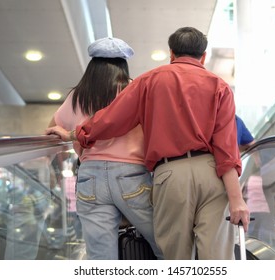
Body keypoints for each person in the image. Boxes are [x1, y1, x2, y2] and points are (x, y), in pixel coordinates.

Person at [60, 27, 250, 259]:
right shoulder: (220, 87)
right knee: (218, 258)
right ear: (203, 56)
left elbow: (110, 120)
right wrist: (236, 198)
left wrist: (74, 134)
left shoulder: (148, 81)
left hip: (170, 174)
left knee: (175, 257)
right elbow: (227, 147)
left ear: (171, 53)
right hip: (213, 175)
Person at [45, 37, 163, 260]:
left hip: (90, 178)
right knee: (166, 245)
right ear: (123, 65)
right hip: (132, 176)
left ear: (92, 65)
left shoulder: (77, 96)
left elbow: (52, 129)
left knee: (101, 260)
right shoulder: (134, 91)